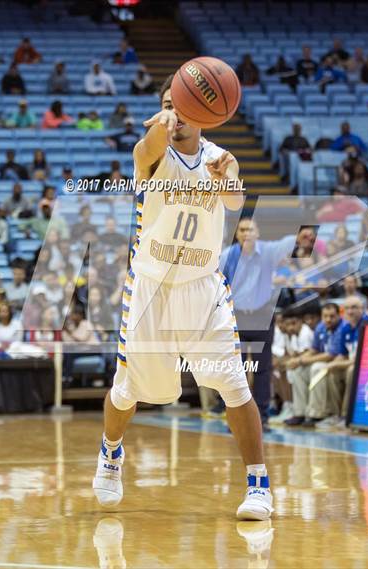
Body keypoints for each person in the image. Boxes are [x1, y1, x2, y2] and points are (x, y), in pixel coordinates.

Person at [92, 73, 274, 521]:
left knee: (234, 384)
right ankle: (111, 452)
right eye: (169, 105)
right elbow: (147, 149)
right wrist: (164, 119)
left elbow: (234, 199)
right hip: (151, 287)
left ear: (203, 114)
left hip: (203, 286)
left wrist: (225, 178)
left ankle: (258, 485)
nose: (177, 114)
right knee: (129, 389)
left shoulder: (220, 158)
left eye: (184, 105)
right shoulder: (150, 153)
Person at [216, 218, 305, 429]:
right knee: (234, 371)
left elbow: (288, 243)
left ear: (257, 233)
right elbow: (217, 283)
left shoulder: (268, 251)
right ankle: (235, 419)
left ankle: (262, 417)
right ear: (237, 234)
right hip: (235, 316)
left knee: (262, 369)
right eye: (243, 229)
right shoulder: (228, 255)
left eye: (251, 229)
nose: (247, 233)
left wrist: (301, 237)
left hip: (262, 315)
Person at [284, 303, 343, 427]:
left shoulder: (342, 328)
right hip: (321, 361)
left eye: (332, 316)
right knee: (297, 371)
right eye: (325, 316)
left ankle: (317, 414)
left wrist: (301, 361)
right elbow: (314, 349)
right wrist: (298, 361)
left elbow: (330, 355)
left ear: (339, 315)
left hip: (335, 363)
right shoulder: (321, 327)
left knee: (317, 368)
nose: (328, 319)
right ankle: (300, 412)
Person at [317, 296, 368, 430]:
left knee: (352, 371)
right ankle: (335, 415)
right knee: (331, 371)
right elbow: (342, 354)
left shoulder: (367, 324)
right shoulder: (346, 328)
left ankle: (347, 416)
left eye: (354, 308)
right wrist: (333, 364)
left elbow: (361, 358)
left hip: (366, 365)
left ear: (362, 309)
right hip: (351, 363)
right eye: (347, 308)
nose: (350, 312)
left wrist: (336, 363)